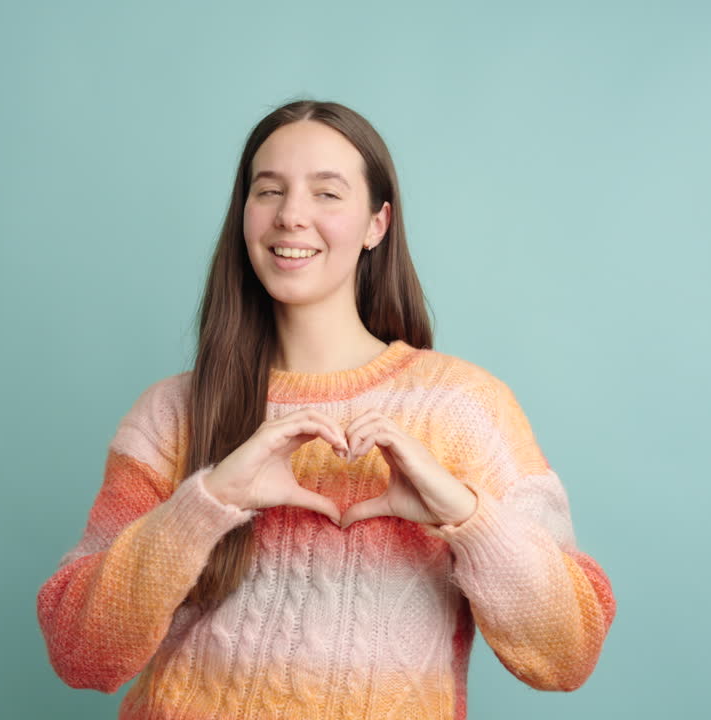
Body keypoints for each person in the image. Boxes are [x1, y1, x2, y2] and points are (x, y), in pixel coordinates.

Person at [35, 98, 616, 719]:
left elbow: (568, 653)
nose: (291, 216)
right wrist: (206, 505)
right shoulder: (171, 412)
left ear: (377, 224)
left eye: (327, 194)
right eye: (268, 191)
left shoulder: (465, 407)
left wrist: (466, 516)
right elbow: (80, 654)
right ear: (244, 216)